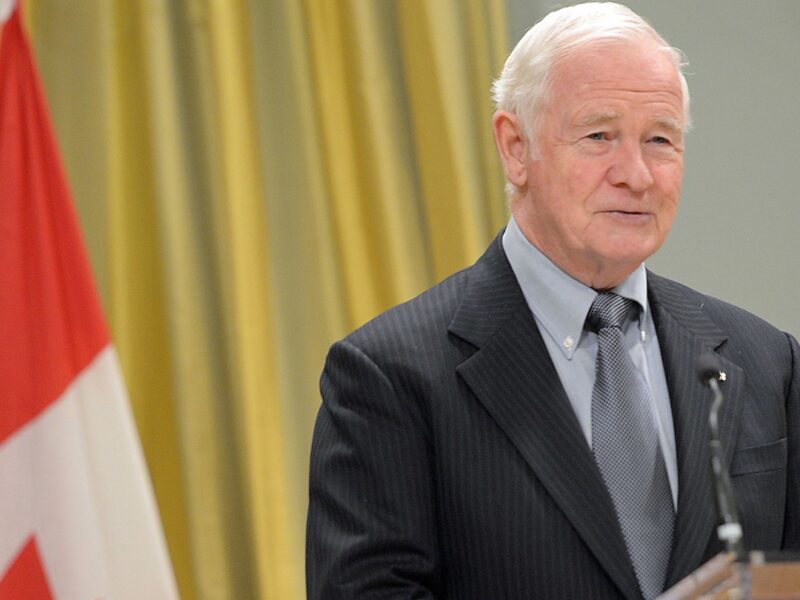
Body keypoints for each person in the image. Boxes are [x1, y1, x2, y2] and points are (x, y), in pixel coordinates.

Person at [306, 3, 800, 599]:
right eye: (599, 136)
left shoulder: (767, 361)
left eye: (660, 140)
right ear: (516, 147)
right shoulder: (390, 377)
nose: (637, 175)